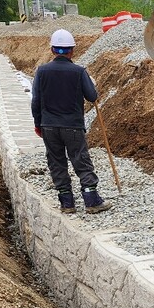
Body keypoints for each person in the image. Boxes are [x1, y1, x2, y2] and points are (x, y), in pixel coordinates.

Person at [31, 28, 112, 214]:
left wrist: (38, 123)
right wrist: (91, 83)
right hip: (73, 126)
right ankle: (91, 200)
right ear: (72, 50)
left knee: (56, 162)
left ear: (52, 50)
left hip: (49, 126)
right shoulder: (78, 71)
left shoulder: (41, 72)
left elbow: (36, 100)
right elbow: (92, 96)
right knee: (80, 160)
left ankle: (66, 203)